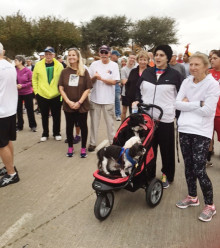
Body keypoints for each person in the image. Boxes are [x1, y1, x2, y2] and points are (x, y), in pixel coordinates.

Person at [175, 52, 219, 222]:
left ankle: (210, 206)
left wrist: (188, 104)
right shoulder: (186, 81)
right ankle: (192, 196)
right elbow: (177, 103)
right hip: (185, 128)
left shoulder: (212, 84)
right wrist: (198, 103)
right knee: (188, 166)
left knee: (200, 169)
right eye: (191, 64)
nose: (192, 67)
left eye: (197, 65)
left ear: (206, 67)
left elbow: (209, 110)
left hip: (201, 131)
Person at [133, 45, 183, 188]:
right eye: (156, 55)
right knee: (148, 149)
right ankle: (149, 174)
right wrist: (137, 100)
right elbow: (138, 90)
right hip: (147, 119)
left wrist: (178, 116)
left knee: (166, 150)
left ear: (168, 57)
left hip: (165, 119)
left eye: (161, 55)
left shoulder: (175, 75)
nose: (158, 57)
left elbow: (181, 97)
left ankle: (167, 175)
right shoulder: (147, 72)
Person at [59, 48, 92, 158]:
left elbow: (88, 88)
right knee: (69, 126)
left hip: (81, 105)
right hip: (68, 105)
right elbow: (61, 88)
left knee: (83, 126)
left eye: (73, 55)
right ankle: (70, 147)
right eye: (69, 55)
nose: (71, 57)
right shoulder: (64, 72)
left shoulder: (84, 71)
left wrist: (79, 102)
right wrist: (68, 101)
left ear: (78, 57)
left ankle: (83, 148)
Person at [88, 45, 120, 152]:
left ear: (109, 53)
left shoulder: (114, 65)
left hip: (108, 100)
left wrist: (101, 79)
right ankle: (92, 143)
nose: (104, 55)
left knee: (110, 124)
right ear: (99, 53)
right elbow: (89, 82)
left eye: (106, 52)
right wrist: (94, 78)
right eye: (102, 52)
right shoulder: (94, 64)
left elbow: (114, 82)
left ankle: (112, 142)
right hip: (95, 99)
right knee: (94, 123)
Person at [32, 46, 63, 142]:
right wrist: (36, 92)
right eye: (46, 54)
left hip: (56, 95)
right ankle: (45, 133)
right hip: (42, 95)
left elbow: (62, 80)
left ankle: (56, 133)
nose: (48, 56)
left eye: (50, 54)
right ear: (44, 55)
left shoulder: (59, 65)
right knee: (44, 115)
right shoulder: (38, 65)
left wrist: (61, 93)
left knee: (56, 115)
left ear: (54, 55)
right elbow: (34, 79)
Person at [0, 42, 20, 187]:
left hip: (1, 112)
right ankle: (10, 166)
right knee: (6, 141)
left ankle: (11, 173)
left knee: (2, 144)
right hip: (10, 109)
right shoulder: (10, 66)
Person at [15, 55, 37, 132]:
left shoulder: (27, 71)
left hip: (27, 93)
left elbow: (31, 82)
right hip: (17, 93)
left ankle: (33, 125)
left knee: (30, 109)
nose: (15, 62)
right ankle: (19, 126)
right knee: (18, 110)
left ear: (21, 61)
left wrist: (22, 85)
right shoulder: (14, 70)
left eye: (16, 60)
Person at [206, 50, 220, 165]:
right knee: (207, 136)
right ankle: (208, 157)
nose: (212, 60)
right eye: (211, 58)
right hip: (209, 111)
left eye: (215, 58)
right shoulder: (208, 73)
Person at [121, 52, 136, 122]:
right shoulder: (123, 69)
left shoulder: (136, 68)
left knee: (133, 111)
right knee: (124, 111)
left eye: (134, 58)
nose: (132, 59)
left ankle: (132, 126)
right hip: (125, 93)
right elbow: (124, 82)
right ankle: (122, 126)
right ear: (128, 59)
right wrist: (133, 80)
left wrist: (129, 80)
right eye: (131, 58)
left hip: (133, 93)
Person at [111, 50, 121, 121]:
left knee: (117, 99)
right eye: (117, 56)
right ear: (113, 55)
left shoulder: (118, 64)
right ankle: (110, 114)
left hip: (117, 84)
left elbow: (120, 73)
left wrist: (120, 81)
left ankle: (118, 114)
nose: (117, 57)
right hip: (109, 83)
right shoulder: (109, 63)